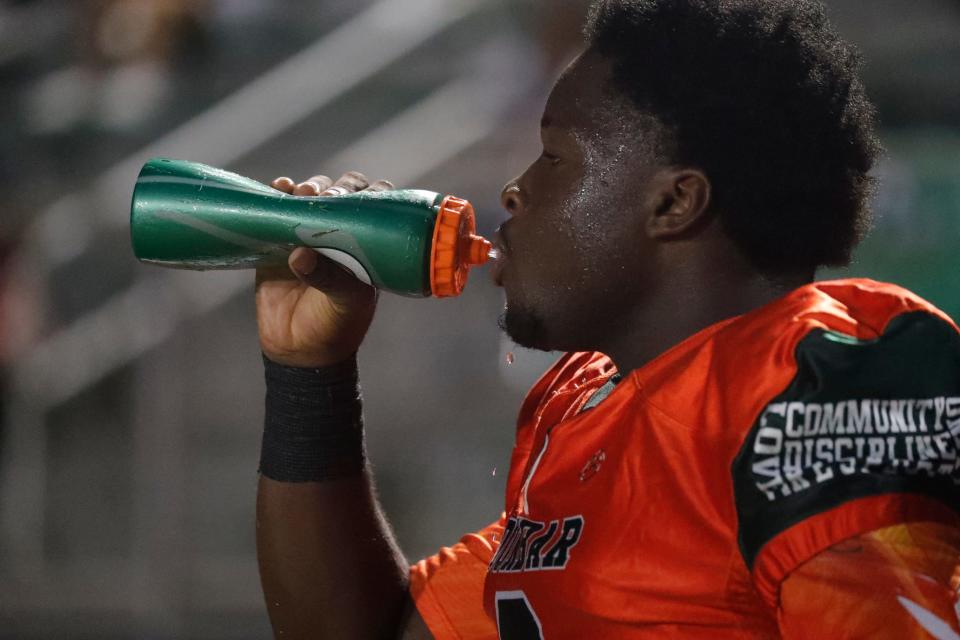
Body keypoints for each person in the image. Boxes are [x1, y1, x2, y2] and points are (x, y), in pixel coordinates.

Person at [251, 0, 960, 638]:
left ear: (674, 203)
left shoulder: (815, 381)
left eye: (556, 157)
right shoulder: (582, 402)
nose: (515, 189)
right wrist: (307, 372)